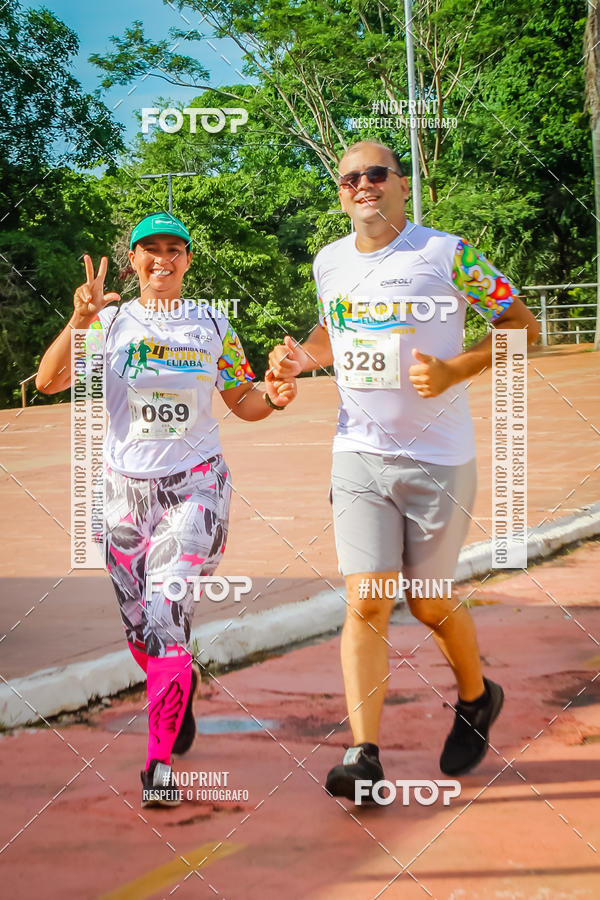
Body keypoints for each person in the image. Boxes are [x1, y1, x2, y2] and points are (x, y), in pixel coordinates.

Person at [268, 141, 540, 802]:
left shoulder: (448, 255)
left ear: (401, 183)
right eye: (348, 178)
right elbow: (330, 333)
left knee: (428, 600)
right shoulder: (327, 262)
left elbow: (523, 326)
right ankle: (363, 755)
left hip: (439, 459)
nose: (362, 185)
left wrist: (455, 369)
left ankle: (477, 698)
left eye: (375, 174)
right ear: (341, 193)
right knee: (366, 600)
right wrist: (300, 359)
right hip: (358, 453)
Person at [36, 212, 296, 808]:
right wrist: (79, 318)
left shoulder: (210, 323)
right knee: (140, 629)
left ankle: (158, 764)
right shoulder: (109, 323)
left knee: (166, 613)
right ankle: (177, 684)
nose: (161, 259)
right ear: (132, 260)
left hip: (196, 487)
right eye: (148, 250)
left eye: (173, 249)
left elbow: (244, 401)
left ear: (187, 259)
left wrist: (275, 398)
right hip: (124, 496)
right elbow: (49, 381)